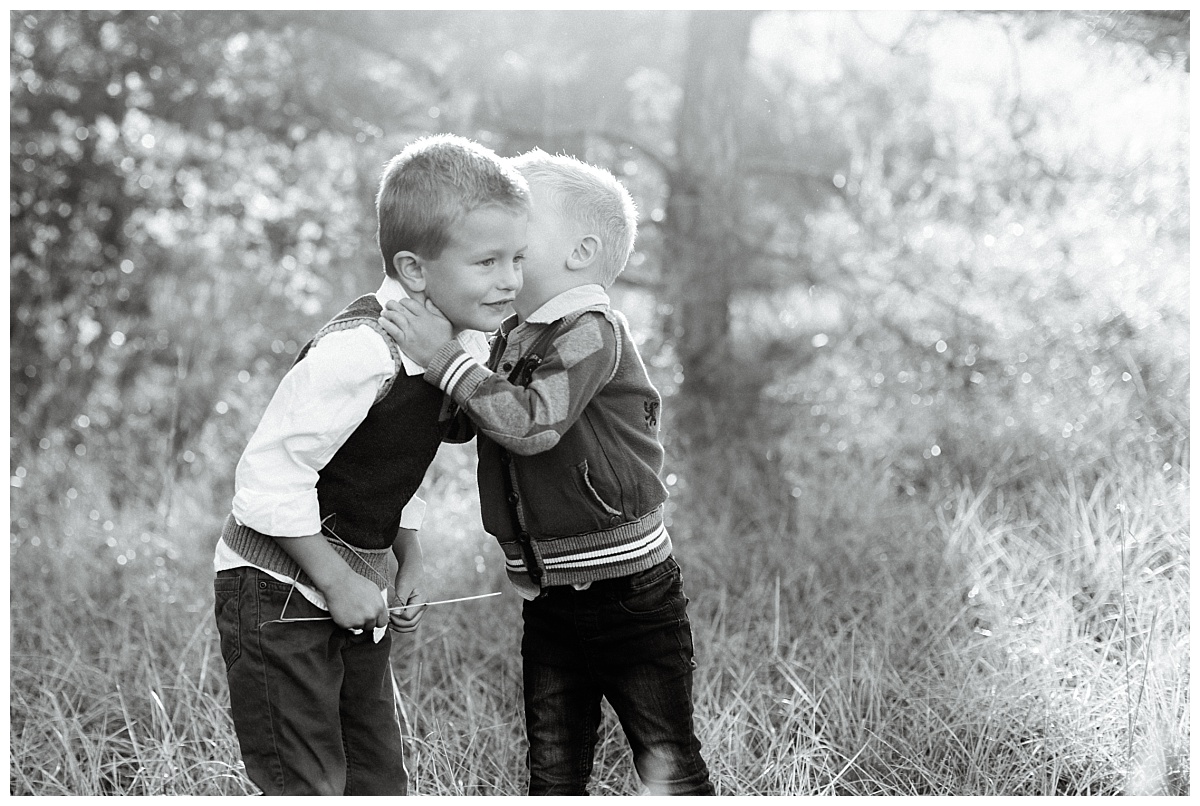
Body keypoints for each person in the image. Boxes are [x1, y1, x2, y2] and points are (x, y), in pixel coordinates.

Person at [379, 149, 714, 795]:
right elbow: (470, 418)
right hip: (552, 597)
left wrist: (446, 359)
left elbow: (531, 425)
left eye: (521, 235)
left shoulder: (592, 331)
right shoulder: (513, 336)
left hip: (634, 595)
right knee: (554, 762)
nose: (506, 248)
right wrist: (421, 364)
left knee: (666, 754)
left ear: (580, 251)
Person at [211, 133, 529, 795]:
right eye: (488, 261)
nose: (510, 280)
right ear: (415, 270)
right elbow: (267, 482)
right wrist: (336, 580)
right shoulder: (360, 352)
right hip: (276, 589)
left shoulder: (448, 346)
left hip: (353, 583)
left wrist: (405, 560)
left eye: (517, 258)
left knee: (376, 773)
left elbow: (392, 463)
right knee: (310, 779)